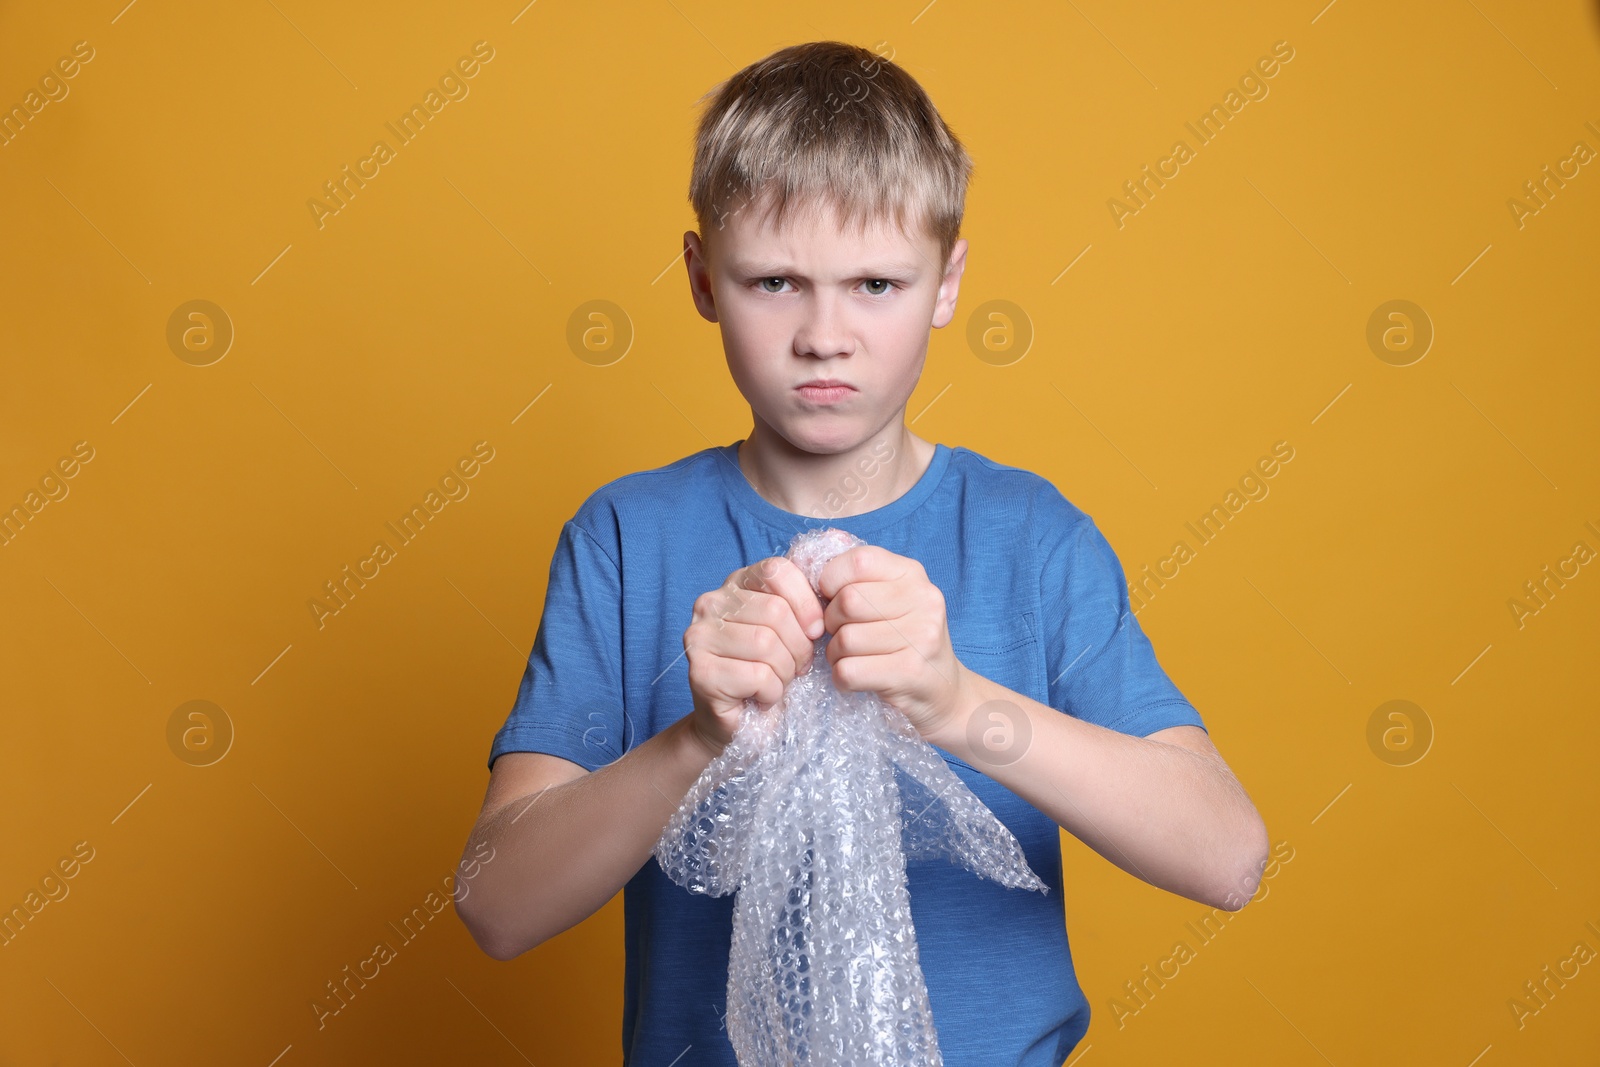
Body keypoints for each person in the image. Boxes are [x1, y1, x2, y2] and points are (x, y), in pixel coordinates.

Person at [455, 39, 1268, 1065]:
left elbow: (1227, 855)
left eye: (876, 283)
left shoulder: (1030, 535)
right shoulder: (625, 538)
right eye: (775, 281)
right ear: (703, 278)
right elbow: (496, 903)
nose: (825, 334)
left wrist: (958, 704)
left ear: (947, 280)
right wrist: (698, 737)